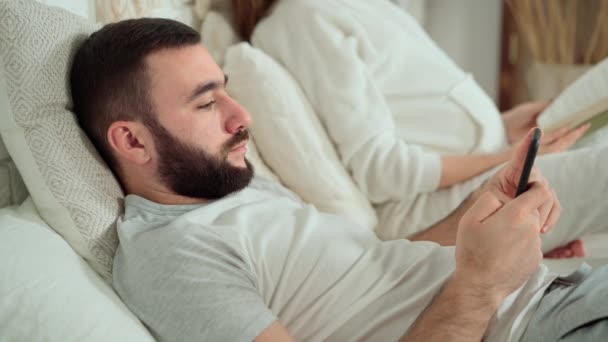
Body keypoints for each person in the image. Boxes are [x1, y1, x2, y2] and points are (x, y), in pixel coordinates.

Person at [69, 18, 607, 342]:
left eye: (226, 92)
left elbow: (380, 269)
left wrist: (475, 216)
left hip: (555, 297)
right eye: (208, 103)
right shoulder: (170, 255)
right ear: (133, 141)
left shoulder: (229, 183)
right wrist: (482, 282)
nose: (242, 117)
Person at [231, 0, 607, 258]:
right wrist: (512, 157)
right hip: (432, 206)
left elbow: (410, 114)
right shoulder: (301, 20)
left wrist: (501, 126)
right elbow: (383, 170)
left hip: (481, 167)